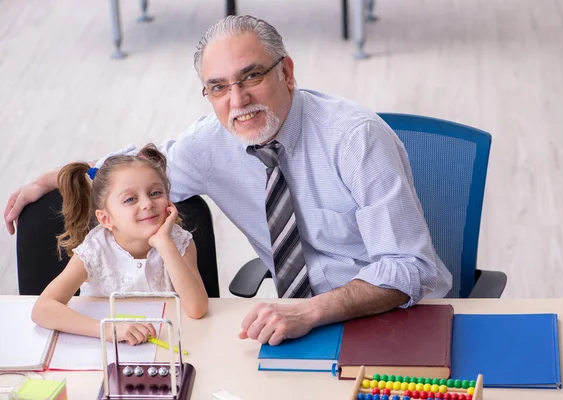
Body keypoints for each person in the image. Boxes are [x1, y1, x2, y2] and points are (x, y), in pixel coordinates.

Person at [6, 15, 452, 346]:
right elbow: (130, 172)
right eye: (218, 87)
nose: (237, 100)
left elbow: (409, 267)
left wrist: (311, 311)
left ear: (288, 72)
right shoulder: (210, 143)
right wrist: (49, 179)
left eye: (251, 76)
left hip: (390, 315)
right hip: (295, 326)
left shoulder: (357, 139)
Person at [30, 144, 209, 346]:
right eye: (130, 199)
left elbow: (197, 308)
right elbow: (43, 309)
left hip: (166, 344)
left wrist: (164, 244)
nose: (147, 204)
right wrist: (108, 329)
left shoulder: (179, 242)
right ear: (106, 219)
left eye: (156, 193)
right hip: (104, 347)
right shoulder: (95, 250)